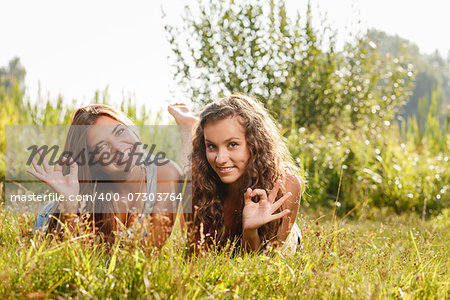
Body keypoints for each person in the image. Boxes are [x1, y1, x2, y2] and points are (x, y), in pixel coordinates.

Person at [168, 94, 304, 254]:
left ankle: (191, 126)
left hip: (279, 245)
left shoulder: (285, 184)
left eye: (232, 144)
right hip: (217, 230)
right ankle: (189, 127)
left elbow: (264, 262)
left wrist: (250, 231)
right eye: (211, 146)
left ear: (255, 143)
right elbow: (198, 254)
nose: (220, 159)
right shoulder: (198, 184)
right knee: (188, 176)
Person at [29, 104, 182, 246]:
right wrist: (69, 204)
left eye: (120, 131)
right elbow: (75, 261)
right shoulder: (90, 197)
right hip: (54, 220)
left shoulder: (167, 174)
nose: (117, 148)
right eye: (101, 147)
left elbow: (149, 253)